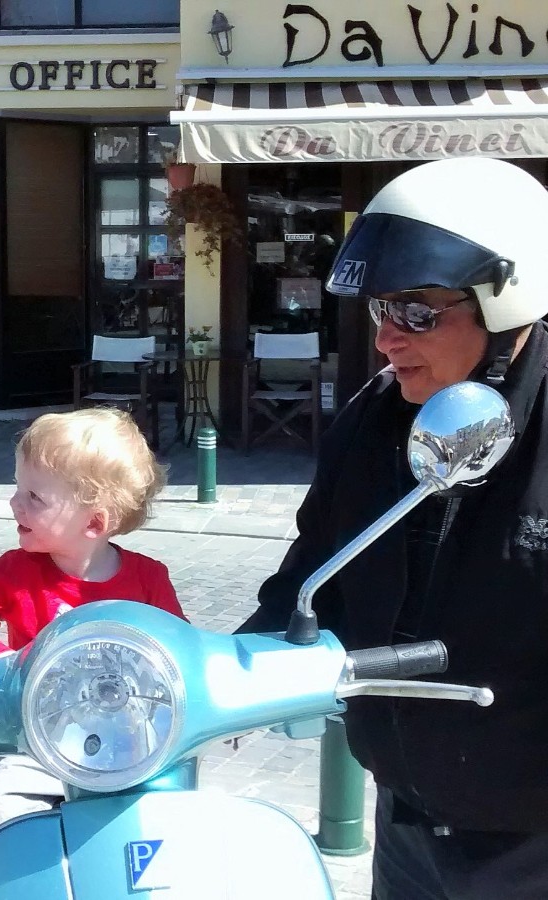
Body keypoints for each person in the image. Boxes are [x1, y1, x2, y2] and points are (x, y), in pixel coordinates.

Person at [240, 157, 548, 900]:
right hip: (406, 823)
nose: (387, 339)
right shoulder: (373, 423)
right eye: (382, 311)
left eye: (417, 313)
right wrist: (228, 670)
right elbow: (313, 573)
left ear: (506, 304)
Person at [0, 408, 184, 851]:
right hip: (40, 741)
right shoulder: (15, 571)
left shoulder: (149, 579)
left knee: (177, 823)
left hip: (131, 745)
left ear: (94, 523)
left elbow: (182, 652)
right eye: (18, 489)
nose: (14, 503)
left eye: (34, 496)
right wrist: (5, 667)